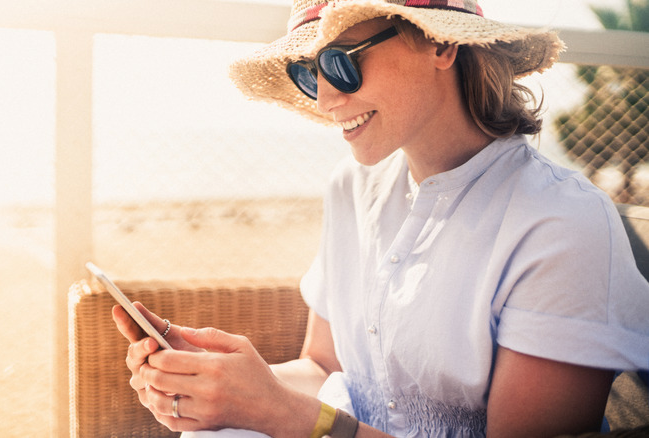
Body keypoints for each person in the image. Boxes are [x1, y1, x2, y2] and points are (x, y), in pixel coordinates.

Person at [112, 0, 649, 436]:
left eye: (342, 63)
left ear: (442, 43)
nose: (324, 98)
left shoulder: (561, 226)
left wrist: (292, 417)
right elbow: (324, 368)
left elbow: (311, 413)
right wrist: (225, 386)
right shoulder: (352, 188)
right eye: (307, 73)